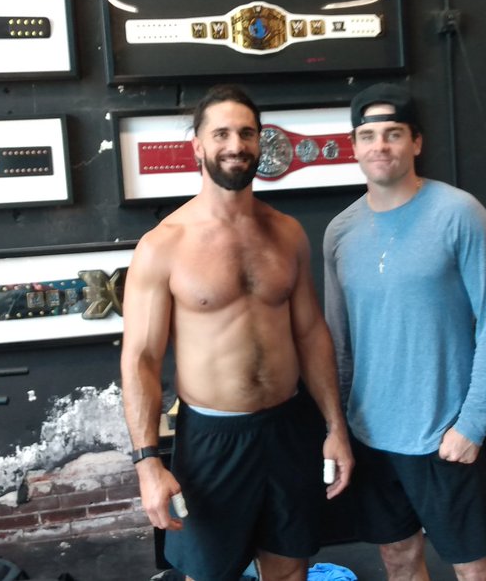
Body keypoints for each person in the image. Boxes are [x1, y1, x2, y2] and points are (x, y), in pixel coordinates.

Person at [121, 84, 354, 581]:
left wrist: (336, 428)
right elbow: (140, 358)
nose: (235, 144)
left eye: (246, 133)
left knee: (290, 566)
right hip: (212, 439)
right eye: (221, 133)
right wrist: (147, 464)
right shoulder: (163, 245)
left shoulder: (287, 233)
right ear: (198, 146)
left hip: (289, 428)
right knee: (209, 574)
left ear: (260, 141)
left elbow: (312, 334)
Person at [323, 83, 486, 580]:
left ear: (416, 142)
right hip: (371, 435)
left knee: (473, 566)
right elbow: (339, 343)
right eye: (368, 136)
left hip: (444, 432)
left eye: (393, 133)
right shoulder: (339, 232)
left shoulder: (459, 213)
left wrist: (473, 422)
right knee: (397, 557)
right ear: (354, 147)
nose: (380, 146)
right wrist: (339, 428)